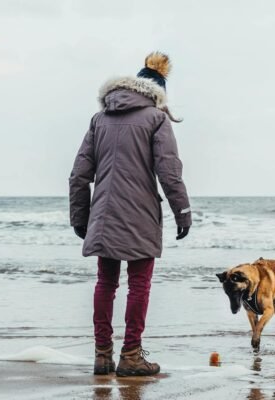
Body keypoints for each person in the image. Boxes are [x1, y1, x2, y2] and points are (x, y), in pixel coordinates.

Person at [69, 52, 191, 376]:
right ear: (158, 93)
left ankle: (102, 354)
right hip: (140, 216)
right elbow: (169, 173)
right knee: (139, 285)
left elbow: (79, 174)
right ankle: (132, 355)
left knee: (105, 283)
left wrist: (80, 217)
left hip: (104, 215)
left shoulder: (100, 119)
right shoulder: (156, 119)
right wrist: (184, 212)